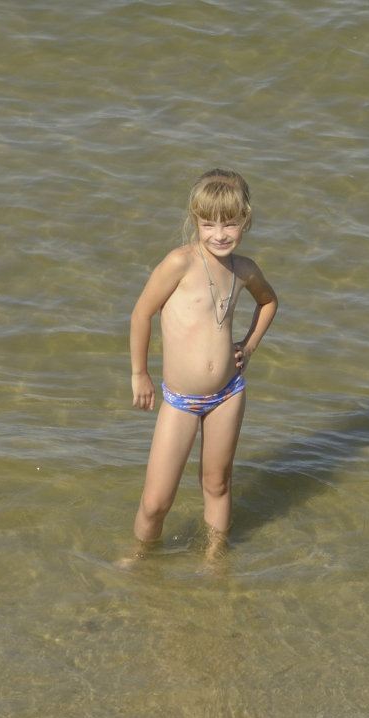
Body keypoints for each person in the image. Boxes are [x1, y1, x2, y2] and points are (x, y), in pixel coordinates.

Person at [127, 169, 278, 566]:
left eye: (229, 223)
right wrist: (139, 373)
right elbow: (142, 313)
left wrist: (249, 344)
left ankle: (214, 560)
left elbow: (269, 302)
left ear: (244, 220)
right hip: (180, 400)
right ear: (195, 221)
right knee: (157, 500)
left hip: (229, 393)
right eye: (208, 224)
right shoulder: (180, 262)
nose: (219, 233)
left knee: (218, 483)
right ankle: (139, 560)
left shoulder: (243, 270)